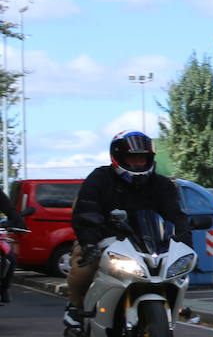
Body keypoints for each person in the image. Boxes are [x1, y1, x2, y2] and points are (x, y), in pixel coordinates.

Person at [64, 131, 189, 326]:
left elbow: (176, 216)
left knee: (175, 272)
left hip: (149, 244)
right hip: (103, 239)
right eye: (132, 158)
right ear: (119, 157)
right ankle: (76, 307)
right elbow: (86, 211)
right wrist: (89, 243)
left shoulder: (162, 185)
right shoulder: (100, 178)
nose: (138, 163)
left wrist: (184, 245)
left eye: (142, 158)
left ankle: (176, 305)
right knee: (83, 269)